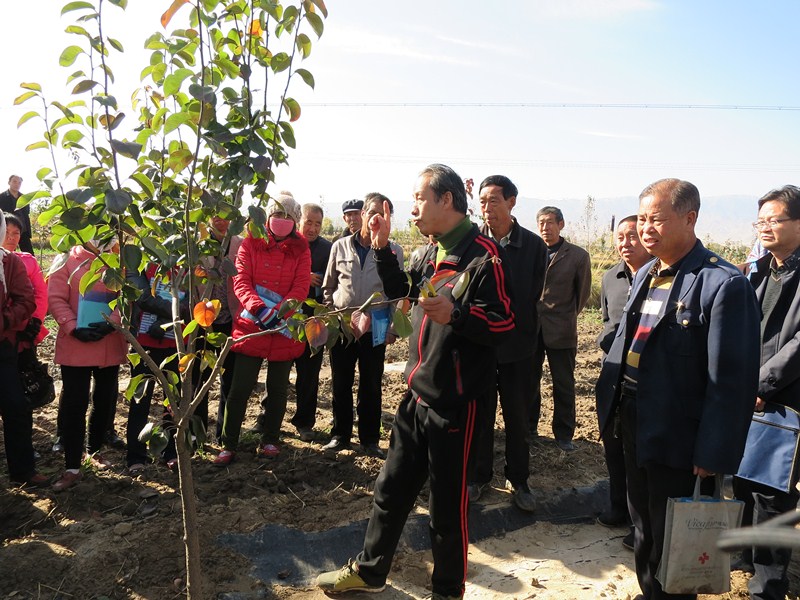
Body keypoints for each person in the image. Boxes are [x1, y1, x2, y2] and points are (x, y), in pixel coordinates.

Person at [316, 164, 514, 599]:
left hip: (456, 402)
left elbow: (505, 324)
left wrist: (458, 314)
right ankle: (370, 571)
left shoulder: (485, 257)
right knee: (390, 488)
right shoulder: (431, 251)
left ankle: (447, 590)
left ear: (447, 199)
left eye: (420, 198)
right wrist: (382, 248)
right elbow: (403, 292)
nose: (414, 208)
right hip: (417, 393)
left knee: (446, 507)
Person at [596, 178, 760, 600]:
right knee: (642, 525)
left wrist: (713, 452)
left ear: (690, 219)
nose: (645, 229)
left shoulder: (722, 283)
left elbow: (732, 381)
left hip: (678, 432)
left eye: (656, 219)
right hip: (634, 417)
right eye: (642, 219)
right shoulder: (647, 273)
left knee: (673, 535)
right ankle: (650, 592)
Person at [733, 185, 800, 600]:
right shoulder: (758, 271)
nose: (765, 227)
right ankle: (745, 557)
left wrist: (761, 385)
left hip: (786, 399)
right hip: (747, 393)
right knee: (742, 479)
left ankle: (769, 585)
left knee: (773, 491)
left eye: (775, 219)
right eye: (760, 221)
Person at [467, 175, 546, 512]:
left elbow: (531, 295)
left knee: (517, 417)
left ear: (512, 202)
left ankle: (519, 479)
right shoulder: (473, 244)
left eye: (494, 200)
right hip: (481, 345)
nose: (487, 208)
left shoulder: (534, 247)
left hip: (519, 346)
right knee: (480, 416)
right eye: (483, 201)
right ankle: (479, 476)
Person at [213, 195, 311, 464]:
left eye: (288, 217)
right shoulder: (250, 243)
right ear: (266, 218)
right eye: (277, 215)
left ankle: (270, 439)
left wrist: (280, 312)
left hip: (283, 327)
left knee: (278, 388)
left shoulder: (301, 250)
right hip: (251, 325)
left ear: (295, 221)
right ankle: (229, 443)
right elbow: (241, 280)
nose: (282, 221)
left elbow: (301, 286)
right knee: (240, 387)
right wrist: (259, 309)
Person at [321, 193, 404, 459]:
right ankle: (340, 435)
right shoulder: (340, 246)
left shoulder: (394, 251)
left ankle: (369, 439)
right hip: (343, 326)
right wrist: (331, 316)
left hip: (376, 326)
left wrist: (392, 328)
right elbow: (328, 286)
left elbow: (397, 295)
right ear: (363, 214)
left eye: (383, 213)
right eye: (372, 212)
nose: (375, 218)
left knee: (371, 383)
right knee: (340, 381)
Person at [48, 241, 128, 491]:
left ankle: (94, 452)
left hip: (108, 342)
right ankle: (72, 465)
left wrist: (112, 322)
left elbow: (126, 297)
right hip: (76, 343)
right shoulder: (66, 259)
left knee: (104, 400)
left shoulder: (119, 260)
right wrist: (72, 327)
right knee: (75, 403)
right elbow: (56, 298)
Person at [595, 216, 651, 548]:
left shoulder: (660, 278)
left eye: (632, 236)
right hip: (612, 374)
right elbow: (606, 321)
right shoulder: (610, 278)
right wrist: (608, 340)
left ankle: (639, 523)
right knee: (613, 445)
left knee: (638, 454)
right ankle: (618, 507)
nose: (625, 243)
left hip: (643, 380)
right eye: (620, 237)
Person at [531, 206, 591, 451]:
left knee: (563, 383)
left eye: (550, 222)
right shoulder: (532, 252)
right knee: (529, 381)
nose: (545, 228)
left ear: (561, 224)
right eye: (541, 223)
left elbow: (582, 295)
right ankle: (530, 428)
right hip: (532, 329)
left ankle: (564, 434)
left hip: (562, 330)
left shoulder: (578, 256)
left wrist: (565, 316)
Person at [0, 211, 45, 487]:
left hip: (3, 346)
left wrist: (5, 321)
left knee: (15, 406)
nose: (11, 237)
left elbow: (27, 300)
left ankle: (23, 470)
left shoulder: (10, 263)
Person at [290, 202, 332, 441]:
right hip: (287, 319)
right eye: (309, 222)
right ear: (299, 221)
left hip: (314, 319)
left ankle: (305, 422)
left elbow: (334, 279)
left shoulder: (327, 249)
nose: (313, 228)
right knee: (278, 371)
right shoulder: (288, 244)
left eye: (318, 224)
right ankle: (266, 418)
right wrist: (303, 277)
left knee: (309, 374)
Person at [0, 175, 33, 254]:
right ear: (9, 182)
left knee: (29, 253)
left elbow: (26, 214)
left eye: (19, 183)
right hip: (8, 230)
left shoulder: (25, 198)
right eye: (14, 181)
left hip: (23, 229)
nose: (17, 184)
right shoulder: (2, 197)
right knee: (8, 253)